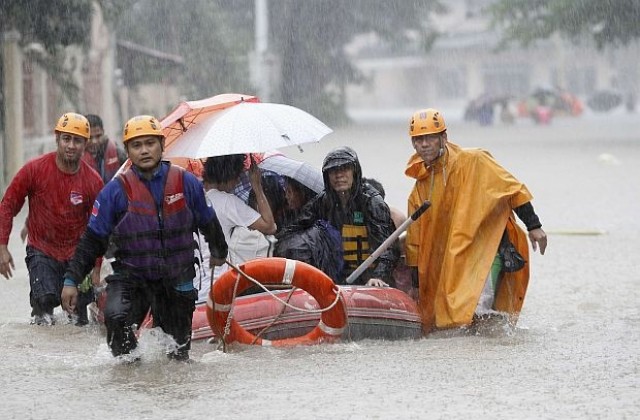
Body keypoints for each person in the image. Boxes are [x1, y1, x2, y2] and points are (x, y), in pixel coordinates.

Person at [60, 115, 228, 361]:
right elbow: (92, 240)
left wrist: (218, 252)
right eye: (137, 145)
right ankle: (131, 374)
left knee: (177, 356)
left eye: (150, 143)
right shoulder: (114, 191)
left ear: (162, 145)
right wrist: (71, 280)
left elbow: (209, 222)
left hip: (176, 278)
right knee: (116, 319)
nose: (144, 150)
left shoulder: (186, 183)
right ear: (127, 150)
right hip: (132, 278)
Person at [405, 108, 548, 333]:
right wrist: (415, 283)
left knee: (478, 315)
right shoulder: (420, 188)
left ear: (443, 137)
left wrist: (534, 225)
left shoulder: (474, 161)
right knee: (453, 323)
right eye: (418, 139)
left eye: (430, 137)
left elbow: (510, 189)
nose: (424, 144)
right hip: (452, 261)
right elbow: (415, 241)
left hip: (486, 252)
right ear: (413, 144)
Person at [0, 113, 104, 325]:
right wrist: (2, 246)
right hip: (42, 250)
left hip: (78, 257)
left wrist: (96, 268)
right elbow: (8, 205)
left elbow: (99, 229)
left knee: (79, 322)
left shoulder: (93, 181)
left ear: (85, 144)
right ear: (57, 139)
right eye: (66, 139)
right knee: (44, 305)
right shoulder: (34, 169)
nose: (71, 145)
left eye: (77, 140)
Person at [277, 146, 400, 287]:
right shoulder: (323, 201)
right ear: (327, 176)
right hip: (337, 275)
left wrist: (379, 276)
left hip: (370, 276)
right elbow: (293, 230)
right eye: (333, 171)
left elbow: (389, 247)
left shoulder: (371, 201)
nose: (339, 175)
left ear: (355, 172)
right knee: (311, 234)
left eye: (344, 169)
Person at [197, 154, 277, 302]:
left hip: (193, 291)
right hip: (216, 290)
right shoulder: (226, 202)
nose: (237, 182)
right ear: (229, 175)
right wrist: (257, 187)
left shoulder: (191, 197)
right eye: (238, 177)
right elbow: (269, 226)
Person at [83, 114, 127, 184]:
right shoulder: (75, 158)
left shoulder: (119, 154)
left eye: (98, 136)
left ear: (103, 132)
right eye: (90, 138)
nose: (94, 141)